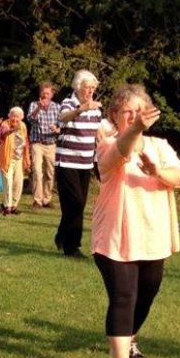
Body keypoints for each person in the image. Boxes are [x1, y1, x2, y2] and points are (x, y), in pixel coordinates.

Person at [92, 85, 180, 358]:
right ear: (115, 117)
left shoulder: (159, 146)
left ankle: (129, 338)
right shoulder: (108, 145)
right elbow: (120, 153)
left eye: (138, 111)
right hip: (114, 237)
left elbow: (179, 177)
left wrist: (156, 170)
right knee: (124, 295)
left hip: (152, 236)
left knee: (148, 292)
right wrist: (134, 129)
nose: (133, 117)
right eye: (126, 112)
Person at [54, 70, 103, 257]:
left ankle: (63, 236)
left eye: (93, 88)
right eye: (87, 87)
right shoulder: (69, 103)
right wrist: (81, 109)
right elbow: (62, 118)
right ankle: (71, 246)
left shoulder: (96, 110)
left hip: (85, 163)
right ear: (78, 87)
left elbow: (97, 137)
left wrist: (99, 162)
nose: (90, 91)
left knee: (77, 206)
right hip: (66, 161)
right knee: (76, 202)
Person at [25, 82, 61, 209]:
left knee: (50, 172)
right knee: (37, 171)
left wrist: (57, 129)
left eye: (48, 93)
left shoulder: (57, 107)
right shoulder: (34, 105)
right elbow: (30, 120)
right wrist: (38, 109)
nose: (45, 95)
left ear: (52, 94)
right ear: (40, 94)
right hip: (37, 143)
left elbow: (62, 124)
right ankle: (37, 200)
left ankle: (47, 199)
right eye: (43, 93)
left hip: (51, 144)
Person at [0, 106, 31, 216]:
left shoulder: (23, 126)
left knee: (18, 182)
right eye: (13, 115)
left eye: (17, 116)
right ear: (9, 115)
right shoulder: (5, 124)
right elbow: (2, 134)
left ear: (21, 117)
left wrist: (27, 157)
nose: (15, 118)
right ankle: (7, 207)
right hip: (7, 158)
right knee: (8, 181)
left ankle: (14, 206)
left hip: (19, 158)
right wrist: (10, 131)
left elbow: (26, 142)